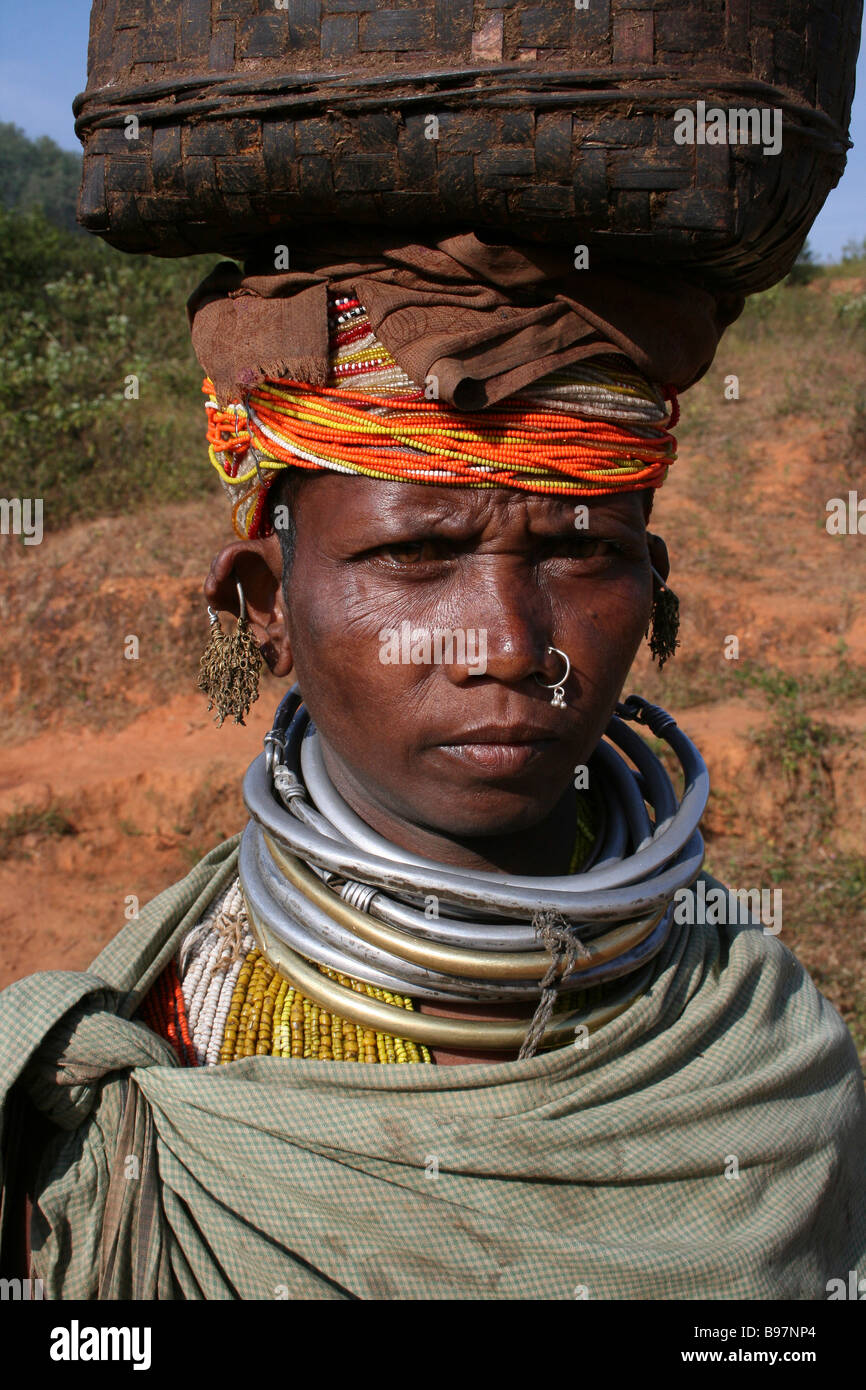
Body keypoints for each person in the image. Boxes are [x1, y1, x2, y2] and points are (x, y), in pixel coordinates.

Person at [1, 233, 863, 1300]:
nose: (506, 645)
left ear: (652, 585)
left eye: (580, 549)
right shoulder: (158, 1078)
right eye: (413, 555)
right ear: (259, 608)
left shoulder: (758, 1050)